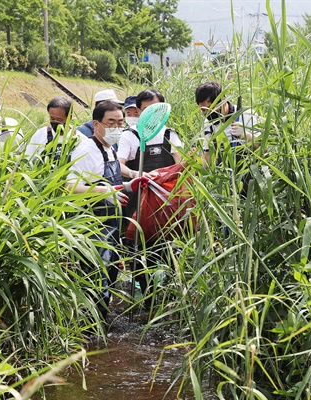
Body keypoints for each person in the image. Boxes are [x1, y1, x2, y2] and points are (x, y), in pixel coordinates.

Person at [67, 100, 150, 326]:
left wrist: (131, 181)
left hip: (112, 225)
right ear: (96, 124)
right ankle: (90, 328)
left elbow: (113, 181)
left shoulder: (109, 148)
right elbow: (71, 187)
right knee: (97, 277)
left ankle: (101, 322)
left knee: (111, 273)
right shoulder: (85, 150)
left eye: (120, 122)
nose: (116, 127)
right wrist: (104, 191)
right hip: (94, 226)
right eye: (110, 122)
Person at [117, 88, 183, 311]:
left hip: (166, 202)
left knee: (167, 249)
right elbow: (120, 164)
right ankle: (146, 300)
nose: (150, 116)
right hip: (138, 201)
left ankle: (167, 298)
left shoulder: (170, 135)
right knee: (137, 250)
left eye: (155, 110)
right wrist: (136, 174)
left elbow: (181, 163)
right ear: (138, 111)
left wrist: (163, 176)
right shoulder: (130, 135)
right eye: (145, 110)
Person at [195, 81, 259, 168]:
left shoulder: (246, 115)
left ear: (223, 101)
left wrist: (246, 135)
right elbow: (208, 155)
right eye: (203, 110)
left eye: (210, 109)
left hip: (249, 171)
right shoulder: (208, 125)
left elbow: (263, 148)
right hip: (225, 173)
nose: (207, 113)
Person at [24, 96, 84, 161]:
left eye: (59, 119)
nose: (55, 122)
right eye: (52, 118)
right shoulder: (40, 135)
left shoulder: (80, 139)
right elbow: (27, 161)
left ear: (70, 117)